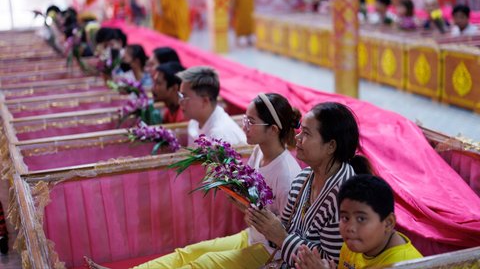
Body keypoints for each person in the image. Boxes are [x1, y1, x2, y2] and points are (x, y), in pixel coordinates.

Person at [85, 93, 302, 269]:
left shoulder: (287, 174)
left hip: (269, 252)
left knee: (201, 264)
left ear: (273, 130)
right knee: (188, 253)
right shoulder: (258, 151)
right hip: (251, 237)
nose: (244, 125)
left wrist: (256, 217)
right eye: (245, 119)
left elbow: (286, 236)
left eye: (251, 121)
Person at [245, 102, 372, 267]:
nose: (297, 137)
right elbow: (284, 228)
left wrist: (281, 237)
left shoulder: (344, 196)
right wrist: (263, 222)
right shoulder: (302, 179)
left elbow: (330, 262)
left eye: (306, 133)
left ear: (331, 146)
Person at [293, 175, 423, 269]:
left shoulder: (406, 264)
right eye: (345, 218)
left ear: (388, 223)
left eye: (361, 219)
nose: (350, 228)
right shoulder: (351, 246)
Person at [177, 66, 246, 146]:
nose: (180, 102)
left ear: (205, 101)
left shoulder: (221, 136)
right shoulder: (194, 123)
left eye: (185, 97)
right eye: (180, 96)